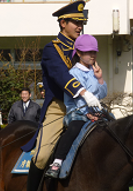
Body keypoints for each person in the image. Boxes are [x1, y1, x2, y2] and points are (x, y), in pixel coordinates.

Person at [22, 0, 102, 191]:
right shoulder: (52, 49)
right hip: (60, 106)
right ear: (63, 22)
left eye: (81, 22)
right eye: (75, 22)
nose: (79, 26)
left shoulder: (83, 47)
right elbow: (60, 76)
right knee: (42, 154)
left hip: (86, 106)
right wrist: (83, 92)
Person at [45, 34, 107, 178]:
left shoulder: (94, 71)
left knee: (114, 125)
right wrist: (87, 114)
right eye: (88, 52)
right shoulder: (73, 73)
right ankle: (57, 162)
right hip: (77, 114)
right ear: (78, 53)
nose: (92, 55)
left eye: (94, 52)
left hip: (96, 114)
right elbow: (79, 99)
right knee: (73, 129)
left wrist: (100, 78)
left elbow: (102, 94)